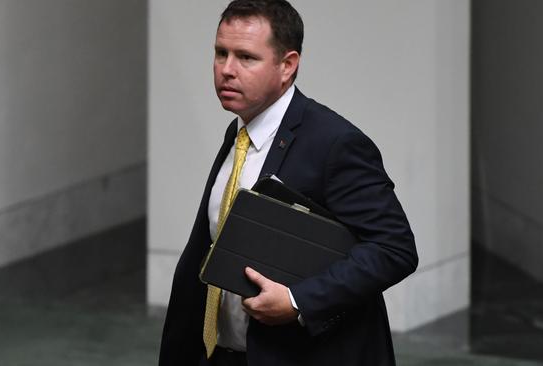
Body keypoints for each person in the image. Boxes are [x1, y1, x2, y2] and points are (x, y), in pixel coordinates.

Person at [158, 1, 418, 365]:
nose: (226, 70)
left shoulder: (334, 144)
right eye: (221, 53)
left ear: (287, 65)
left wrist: (299, 300)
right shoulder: (238, 133)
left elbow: (394, 248)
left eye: (246, 57)